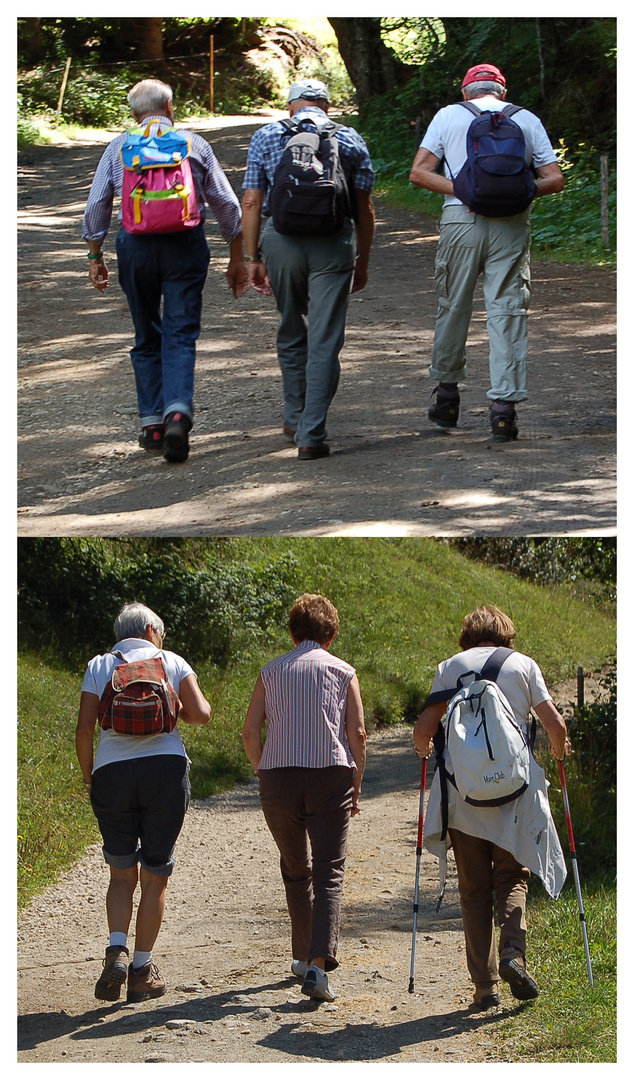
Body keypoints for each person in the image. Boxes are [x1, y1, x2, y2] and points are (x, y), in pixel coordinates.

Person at [82, 79, 248, 463]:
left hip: (135, 247)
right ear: (170, 108)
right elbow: (226, 204)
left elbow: (97, 204)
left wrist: (95, 254)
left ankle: (152, 424)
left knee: (146, 334)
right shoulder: (194, 144)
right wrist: (237, 256)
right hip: (185, 245)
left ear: (133, 114)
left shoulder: (118, 147)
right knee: (180, 332)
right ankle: (178, 411)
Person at [413, 604, 570, 1010]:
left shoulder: (451, 667)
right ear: (506, 634)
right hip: (514, 796)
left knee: (474, 890)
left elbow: (424, 730)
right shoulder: (523, 666)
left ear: (468, 635)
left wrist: (424, 749)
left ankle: (484, 989)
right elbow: (554, 724)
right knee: (512, 877)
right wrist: (559, 749)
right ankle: (513, 955)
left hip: (463, 799)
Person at [409, 64, 565, 441]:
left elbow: (419, 172)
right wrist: (515, 195)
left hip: (460, 221)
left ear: (466, 92)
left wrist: (468, 194)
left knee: (454, 305)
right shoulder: (526, 119)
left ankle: (447, 398)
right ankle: (503, 411)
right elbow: (554, 178)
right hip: (511, 227)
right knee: (508, 310)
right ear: (501, 92)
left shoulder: (449, 115)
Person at [76, 602, 211, 1003]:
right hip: (164, 772)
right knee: (154, 876)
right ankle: (141, 971)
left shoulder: (100, 665)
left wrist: (90, 777)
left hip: (112, 773)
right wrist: (174, 708)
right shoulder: (170, 660)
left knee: (121, 875)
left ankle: (116, 948)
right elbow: (201, 714)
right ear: (153, 629)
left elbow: (84, 730)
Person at [241, 79, 376, 460]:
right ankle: (311, 434)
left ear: (291, 108)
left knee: (291, 327)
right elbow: (363, 208)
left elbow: (252, 202)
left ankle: (293, 415)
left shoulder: (267, 135)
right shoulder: (349, 139)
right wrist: (361, 260)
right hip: (333, 245)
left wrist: (254, 258)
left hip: (281, 243)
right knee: (325, 339)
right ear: (327, 107)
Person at [242, 593, 366, 1002]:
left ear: (293, 632)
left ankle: (300, 955)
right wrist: (357, 780)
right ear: (330, 634)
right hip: (330, 776)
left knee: (296, 868)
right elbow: (358, 734)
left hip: (277, 778)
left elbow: (250, 731)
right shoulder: (344, 672)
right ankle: (316, 967)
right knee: (329, 871)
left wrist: (263, 770)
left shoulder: (270, 671)